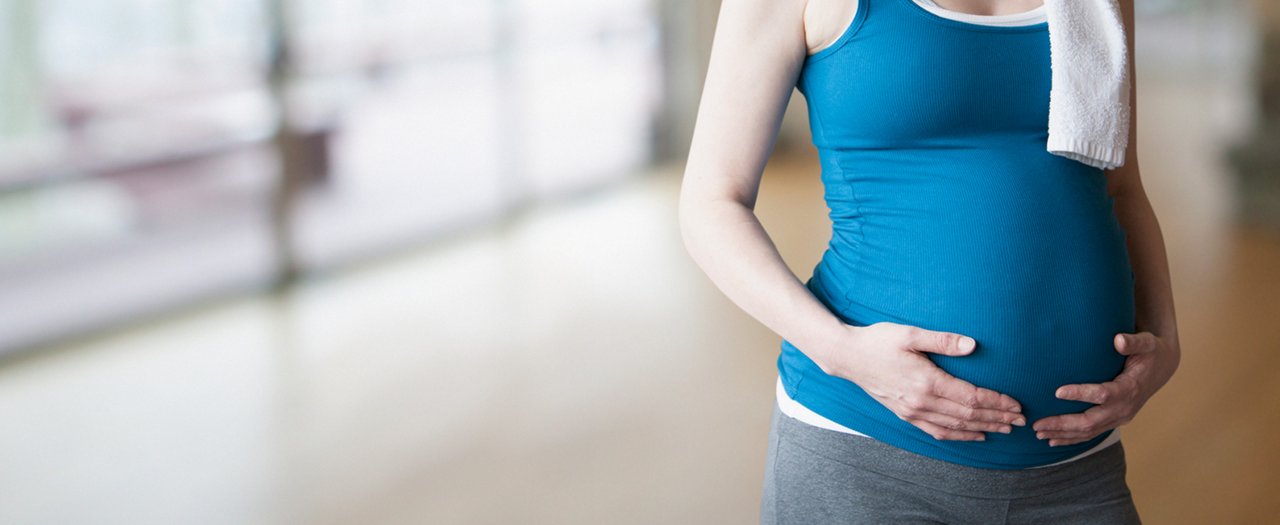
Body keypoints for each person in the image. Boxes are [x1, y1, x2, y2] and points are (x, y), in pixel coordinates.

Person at [677, 0, 1182, 522]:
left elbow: (1122, 186)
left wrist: (1167, 340)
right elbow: (712, 205)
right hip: (867, 456)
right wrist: (842, 351)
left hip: (1077, 473)